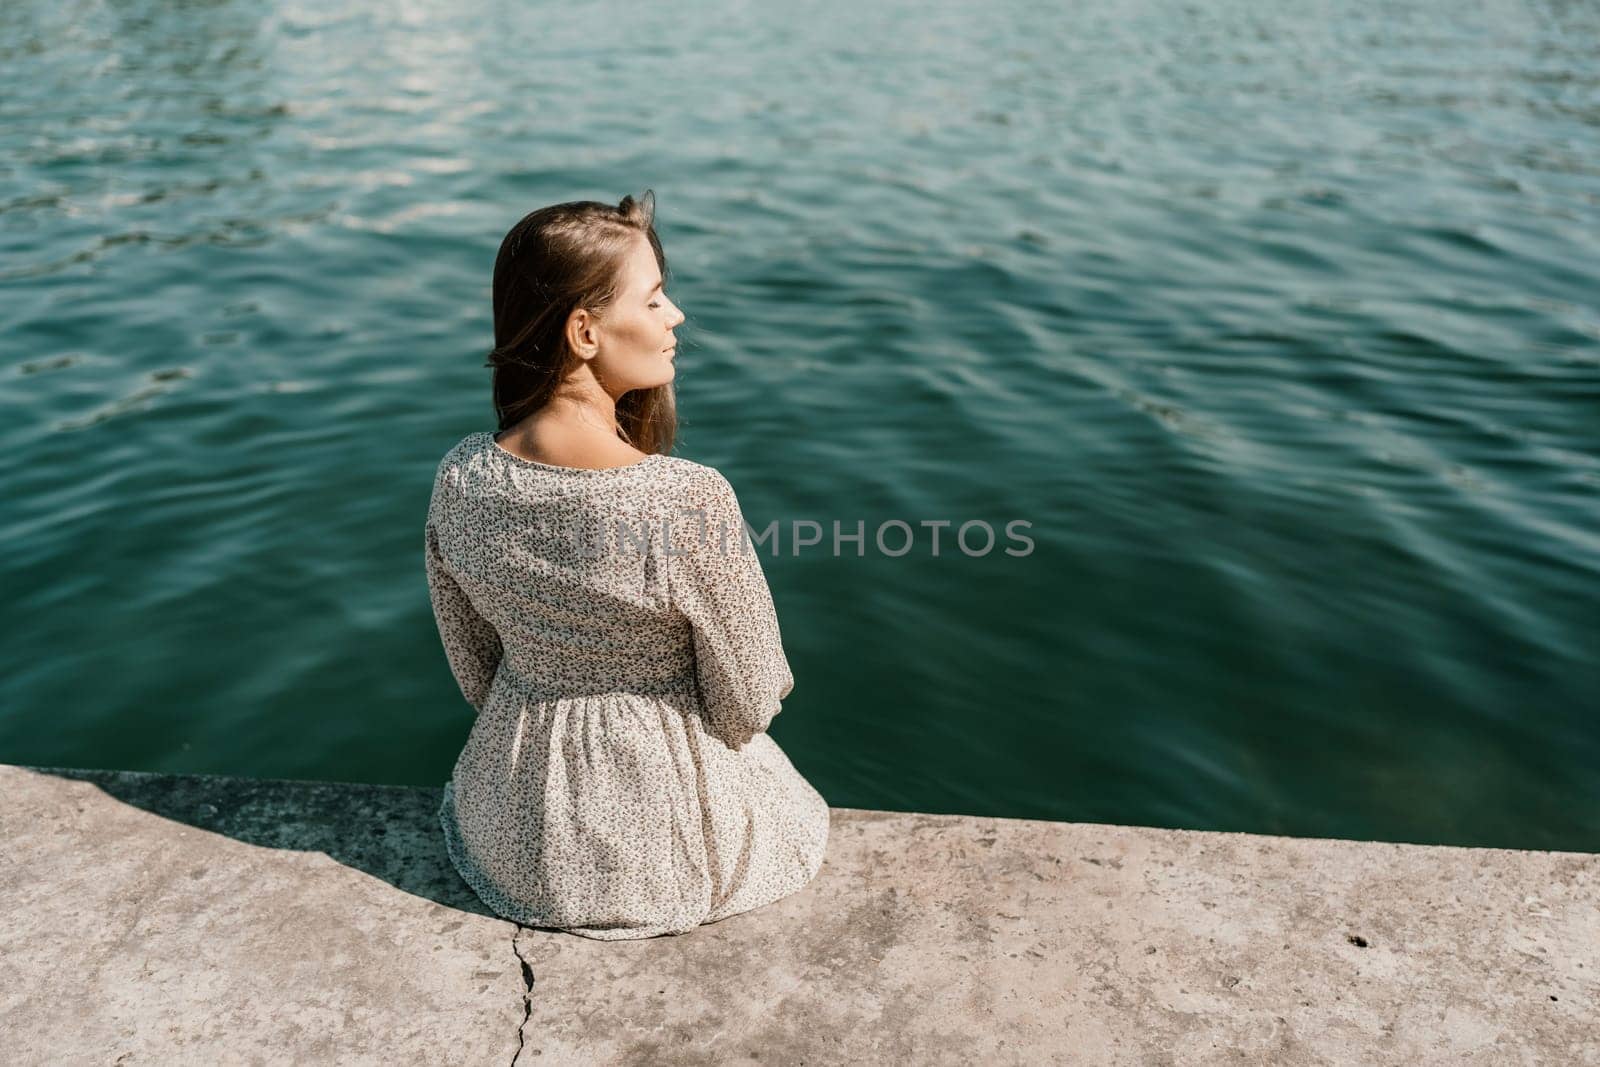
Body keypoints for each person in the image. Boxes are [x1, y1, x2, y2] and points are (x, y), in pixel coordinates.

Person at [424, 190, 830, 940]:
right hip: (665, 832)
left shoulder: (460, 476)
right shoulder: (684, 499)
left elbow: (473, 667)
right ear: (584, 331)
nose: (674, 315)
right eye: (653, 299)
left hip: (513, 818)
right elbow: (749, 694)